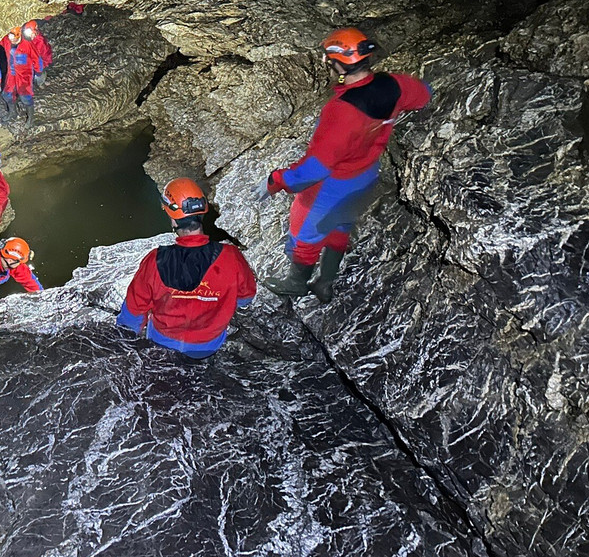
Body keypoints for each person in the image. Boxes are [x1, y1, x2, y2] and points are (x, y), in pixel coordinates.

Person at [255, 27, 432, 302]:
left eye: (329, 59)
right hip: (365, 175)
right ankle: (325, 283)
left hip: (333, 182)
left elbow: (314, 170)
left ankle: (297, 282)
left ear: (339, 63)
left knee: (306, 233)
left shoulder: (341, 111)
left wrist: (276, 180)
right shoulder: (392, 84)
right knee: (340, 226)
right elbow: (421, 95)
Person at [117, 178, 256, 359]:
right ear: (203, 213)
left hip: (162, 341)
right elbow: (246, 298)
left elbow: (133, 313)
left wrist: (122, 344)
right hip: (208, 344)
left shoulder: (155, 260)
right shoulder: (231, 257)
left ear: (174, 221)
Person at [2, 26, 40, 127]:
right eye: (11, 39)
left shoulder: (27, 44)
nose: (12, 41)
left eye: (14, 38)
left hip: (24, 75)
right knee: (6, 94)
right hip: (11, 73)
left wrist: (39, 72)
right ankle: (13, 113)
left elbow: (36, 58)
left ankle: (31, 118)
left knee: (25, 97)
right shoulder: (6, 41)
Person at [21, 20, 53, 87]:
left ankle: (40, 81)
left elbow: (44, 56)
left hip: (41, 63)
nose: (30, 35)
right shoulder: (25, 39)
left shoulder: (40, 42)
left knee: (38, 78)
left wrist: (40, 68)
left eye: (31, 33)